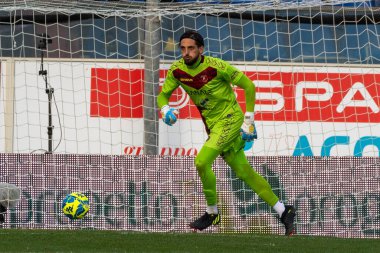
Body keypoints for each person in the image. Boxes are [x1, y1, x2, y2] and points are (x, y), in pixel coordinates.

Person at [157, 30, 296, 236]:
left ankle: (212, 212)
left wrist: (249, 120)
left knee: (201, 161)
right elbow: (163, 96)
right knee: (243, 172)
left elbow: (248, 85)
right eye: (183, 48)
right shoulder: (177, 71)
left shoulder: (216, 67)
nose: (186, 53)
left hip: (231, 120)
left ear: (201, 50)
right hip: (214, 126)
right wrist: (165, 109)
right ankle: (284, 211)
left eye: (191, 48)